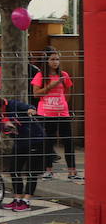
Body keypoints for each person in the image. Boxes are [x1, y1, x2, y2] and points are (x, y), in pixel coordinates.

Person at [32, 50, 75, 179]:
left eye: (57, 59)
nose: (55, 62)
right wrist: (51, 85)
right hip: (46, 113)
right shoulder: (40, 75)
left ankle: (72, 171)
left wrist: (62, 104)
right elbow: (36, 94)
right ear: (46, 61)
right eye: (52, 59)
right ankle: (48, 169)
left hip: (62, 113)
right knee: (48, 142)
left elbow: (68, 92)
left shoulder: (64, 75)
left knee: (68, 141)